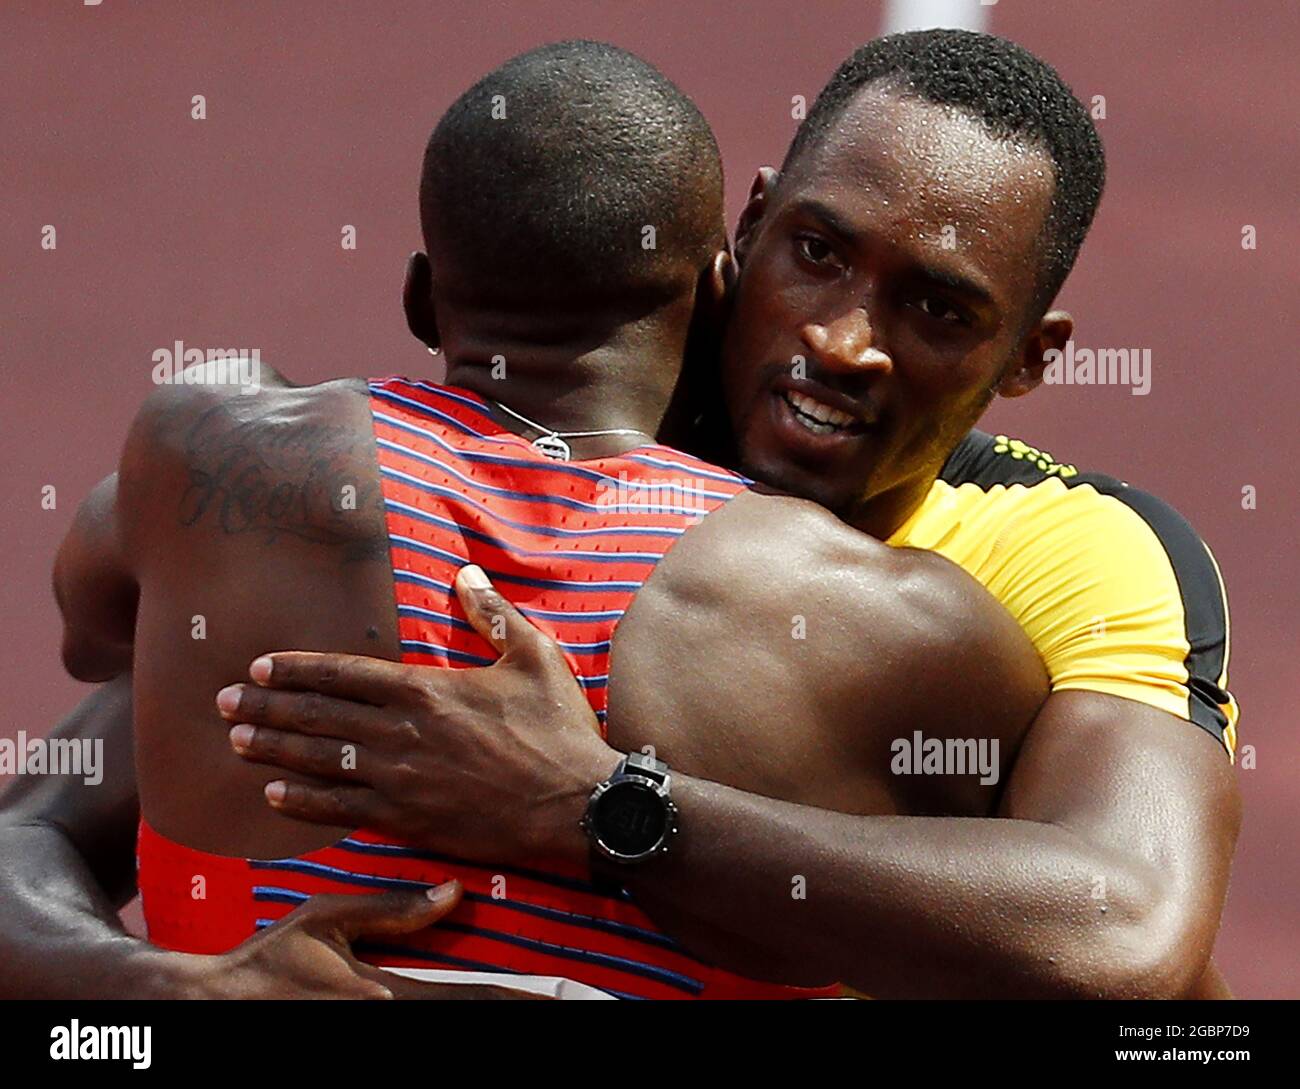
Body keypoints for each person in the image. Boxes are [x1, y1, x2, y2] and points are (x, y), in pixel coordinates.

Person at [1, 40, 1047, 1000]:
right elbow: (1096, 952)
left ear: (420, 300)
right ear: (717, 289)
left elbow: (94, 639)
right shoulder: (904, 628)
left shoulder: (213, 457)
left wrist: (166, 996)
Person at [220, 31, 1241, 998]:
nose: (843, 342)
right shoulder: (576, 407)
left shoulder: (1079, 552)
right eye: (817, 253)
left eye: (937, 308)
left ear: (1029, 355)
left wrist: (596, 806)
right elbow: (61, 829)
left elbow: (1131, 940)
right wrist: (166, 983)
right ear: (747, 227)